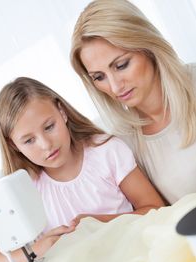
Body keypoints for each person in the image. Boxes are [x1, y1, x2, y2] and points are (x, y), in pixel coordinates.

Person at [0, 76, 164, 262]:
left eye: (49, 127)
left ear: (62, 112)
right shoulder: (24, 189)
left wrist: (96, 223)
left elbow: (156, 209)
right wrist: (37, 249)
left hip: (136, 260)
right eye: (29, 140)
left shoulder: (106, 152)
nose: (46, 144)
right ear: (13, 145)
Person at [70, 0, 196, 205]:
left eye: (121, 65)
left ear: (147, 46)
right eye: (99, 77)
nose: (115, 87)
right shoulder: (124, 143)